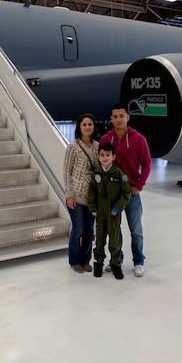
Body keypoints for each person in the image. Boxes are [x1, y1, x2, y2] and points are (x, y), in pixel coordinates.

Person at [98, 103, 151, 277]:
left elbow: (147, 164)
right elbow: (101, 163)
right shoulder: (106, 139)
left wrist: (138, 186)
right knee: (114, 230)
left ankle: (139, 262)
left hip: (131, 194)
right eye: (115, 116)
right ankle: (117, 259)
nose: (119, 119)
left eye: (122, 116)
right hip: (112, 194)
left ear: (128, 117)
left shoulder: (138, 139)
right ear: (111, 119)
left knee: (136, 230)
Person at [87, 143, 132, 279]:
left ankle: (116, 265)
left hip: (113, 214)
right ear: (98, 157)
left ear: (113, 157)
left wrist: (117, 207)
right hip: (100, 214)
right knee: (100, 240)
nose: (105, 158)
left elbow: (126, 193)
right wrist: (93, 207)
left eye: (108, 155)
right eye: (102, 155)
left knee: (115, 241)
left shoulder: (119, 174)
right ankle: (98, 264)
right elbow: (92, 192)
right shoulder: (96, 173)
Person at [62, 113, 99, 273]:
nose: (87, 127)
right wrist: (69, 194)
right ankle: (74, 260)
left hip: (92, 197)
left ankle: (85, 259)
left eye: (90, 124)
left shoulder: (98, 147)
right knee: (78, 229)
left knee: (89, 230)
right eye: (84, 124)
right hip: (76, 196)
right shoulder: (73, 147)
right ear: (79, 127)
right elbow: (66, 171)